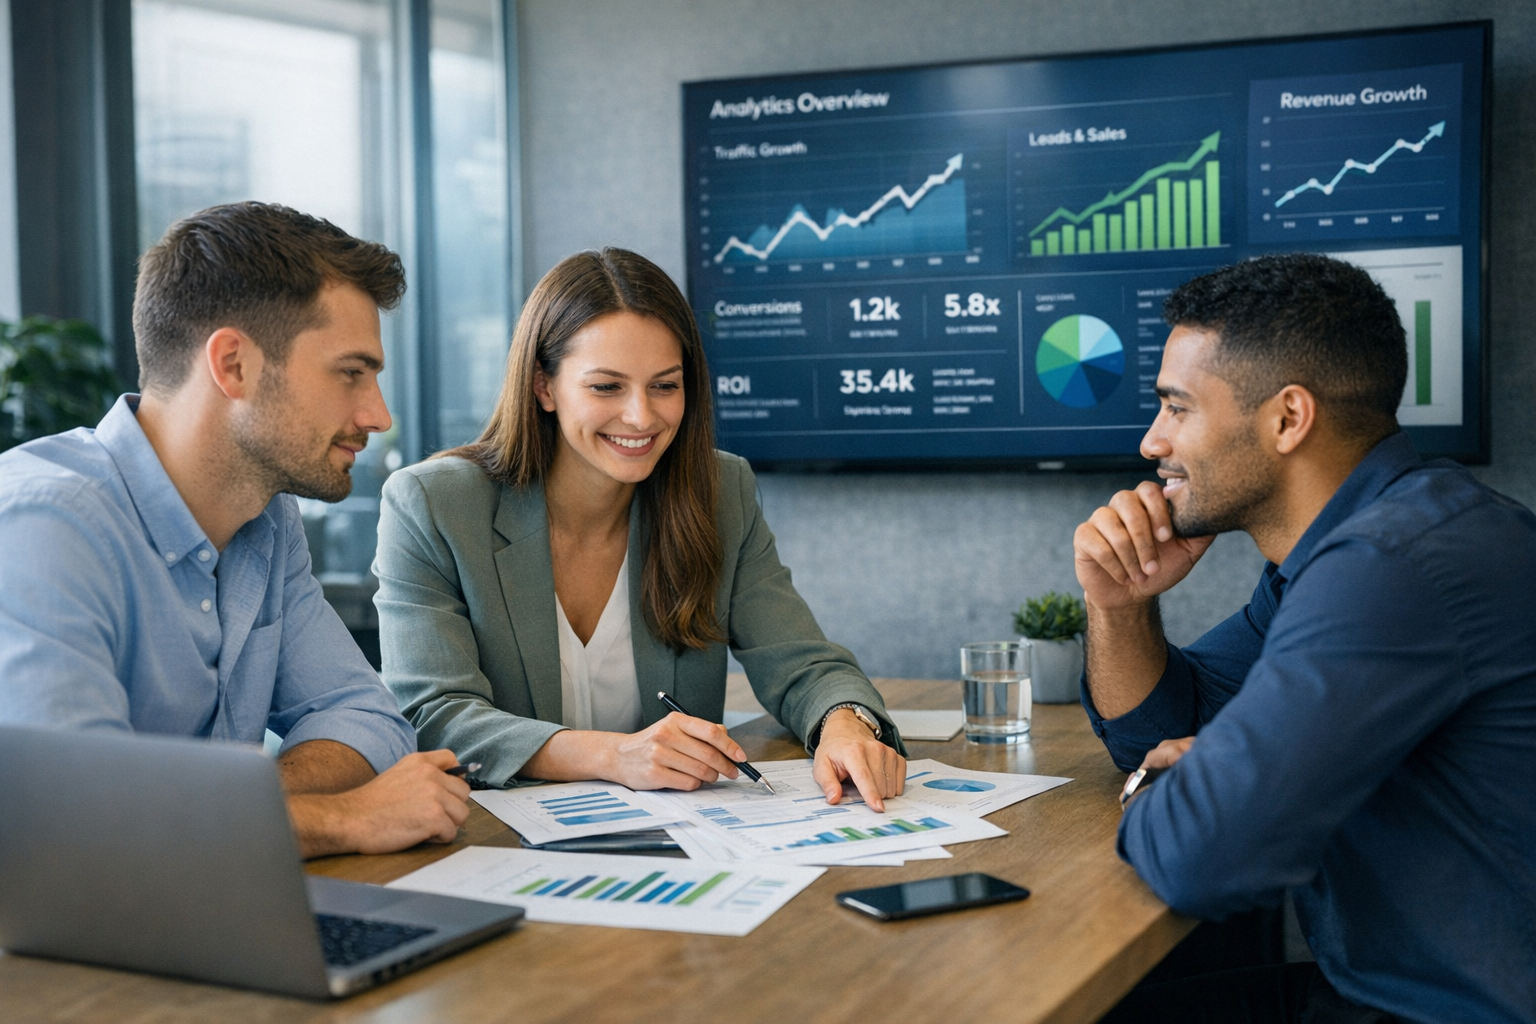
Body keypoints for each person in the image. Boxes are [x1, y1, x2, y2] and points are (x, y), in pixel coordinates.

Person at [1075, 253, 1536, 1023]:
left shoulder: (1392, 568)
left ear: (1289, 418)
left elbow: (1203, 858)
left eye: (1177, 408)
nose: (1154, 442)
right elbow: (1162, 729)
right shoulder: (1350, 549)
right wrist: (1120, 608)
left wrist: (1161, 788)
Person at [0, 202, 472, 859]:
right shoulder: (41, 527)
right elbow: (77, 823)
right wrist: (343, 820)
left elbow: (368, 719)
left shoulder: (265, 523)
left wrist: (230, 815)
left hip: (201, 916)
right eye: (350, 373)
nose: (379, 415)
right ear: (234, 365)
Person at [374, 247, 906, 806]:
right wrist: (612, 756)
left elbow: (803, 664)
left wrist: (844, 723)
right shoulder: (433, 504)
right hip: (494, 842)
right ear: (544, 387)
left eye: (665, 385)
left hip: (688, 847)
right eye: (606, 387)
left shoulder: (721, 493)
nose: (642, 417)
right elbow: (432, 714)